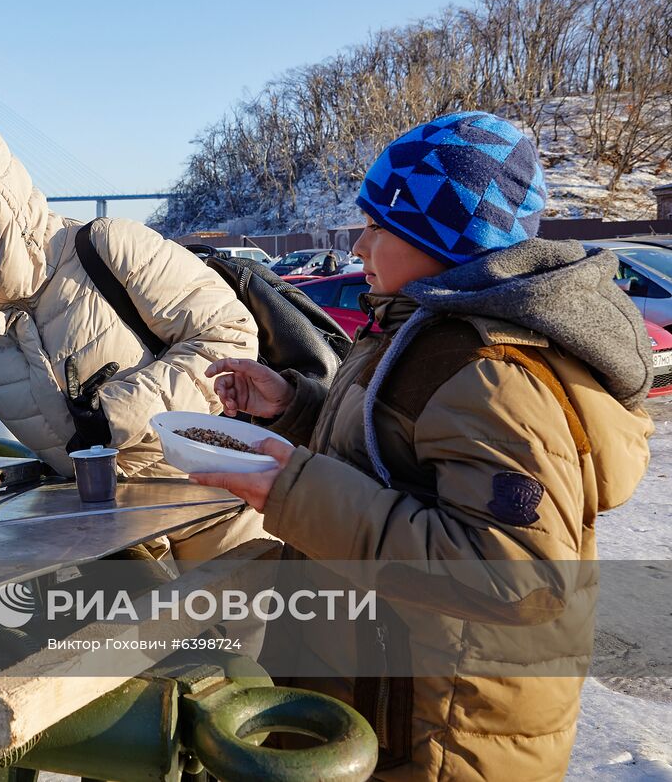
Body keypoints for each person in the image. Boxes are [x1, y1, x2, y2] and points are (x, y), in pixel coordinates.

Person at [197, 111, 654, 780]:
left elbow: (512, 579)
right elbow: (401, 459)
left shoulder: (495, 370)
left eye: (379, 224)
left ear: (444, 237)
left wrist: (293, 490)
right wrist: (296, 408)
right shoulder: (425, 328)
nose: (359, 245)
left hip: (441, 738)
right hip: (389, 701)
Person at [0, 119, 270, 559]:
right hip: (113, 526)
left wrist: (115, 413)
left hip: (211, 499)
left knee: (255, 618)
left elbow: (227, 337)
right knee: (147, 629)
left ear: (5, 222)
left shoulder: (108, 249)